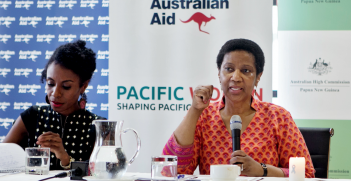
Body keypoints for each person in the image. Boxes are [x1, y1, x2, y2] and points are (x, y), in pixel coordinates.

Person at [162, 39, 315, 177]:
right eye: (229, 69)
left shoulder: (278, 117)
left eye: (246, 71)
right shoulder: (203, 116)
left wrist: (262, 170)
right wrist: (195, 110)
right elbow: (172, 171)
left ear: (258, 77)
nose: (235, 77)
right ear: (219, 73)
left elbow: (305, 173)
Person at [4, 40, 105, 170]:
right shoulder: (31, 116)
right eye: (50, 83)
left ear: (83, 86)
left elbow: (103, 174)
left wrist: (64, 158)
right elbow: (3, 161)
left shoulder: (99, 126)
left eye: (66, 86)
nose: (55, 93)